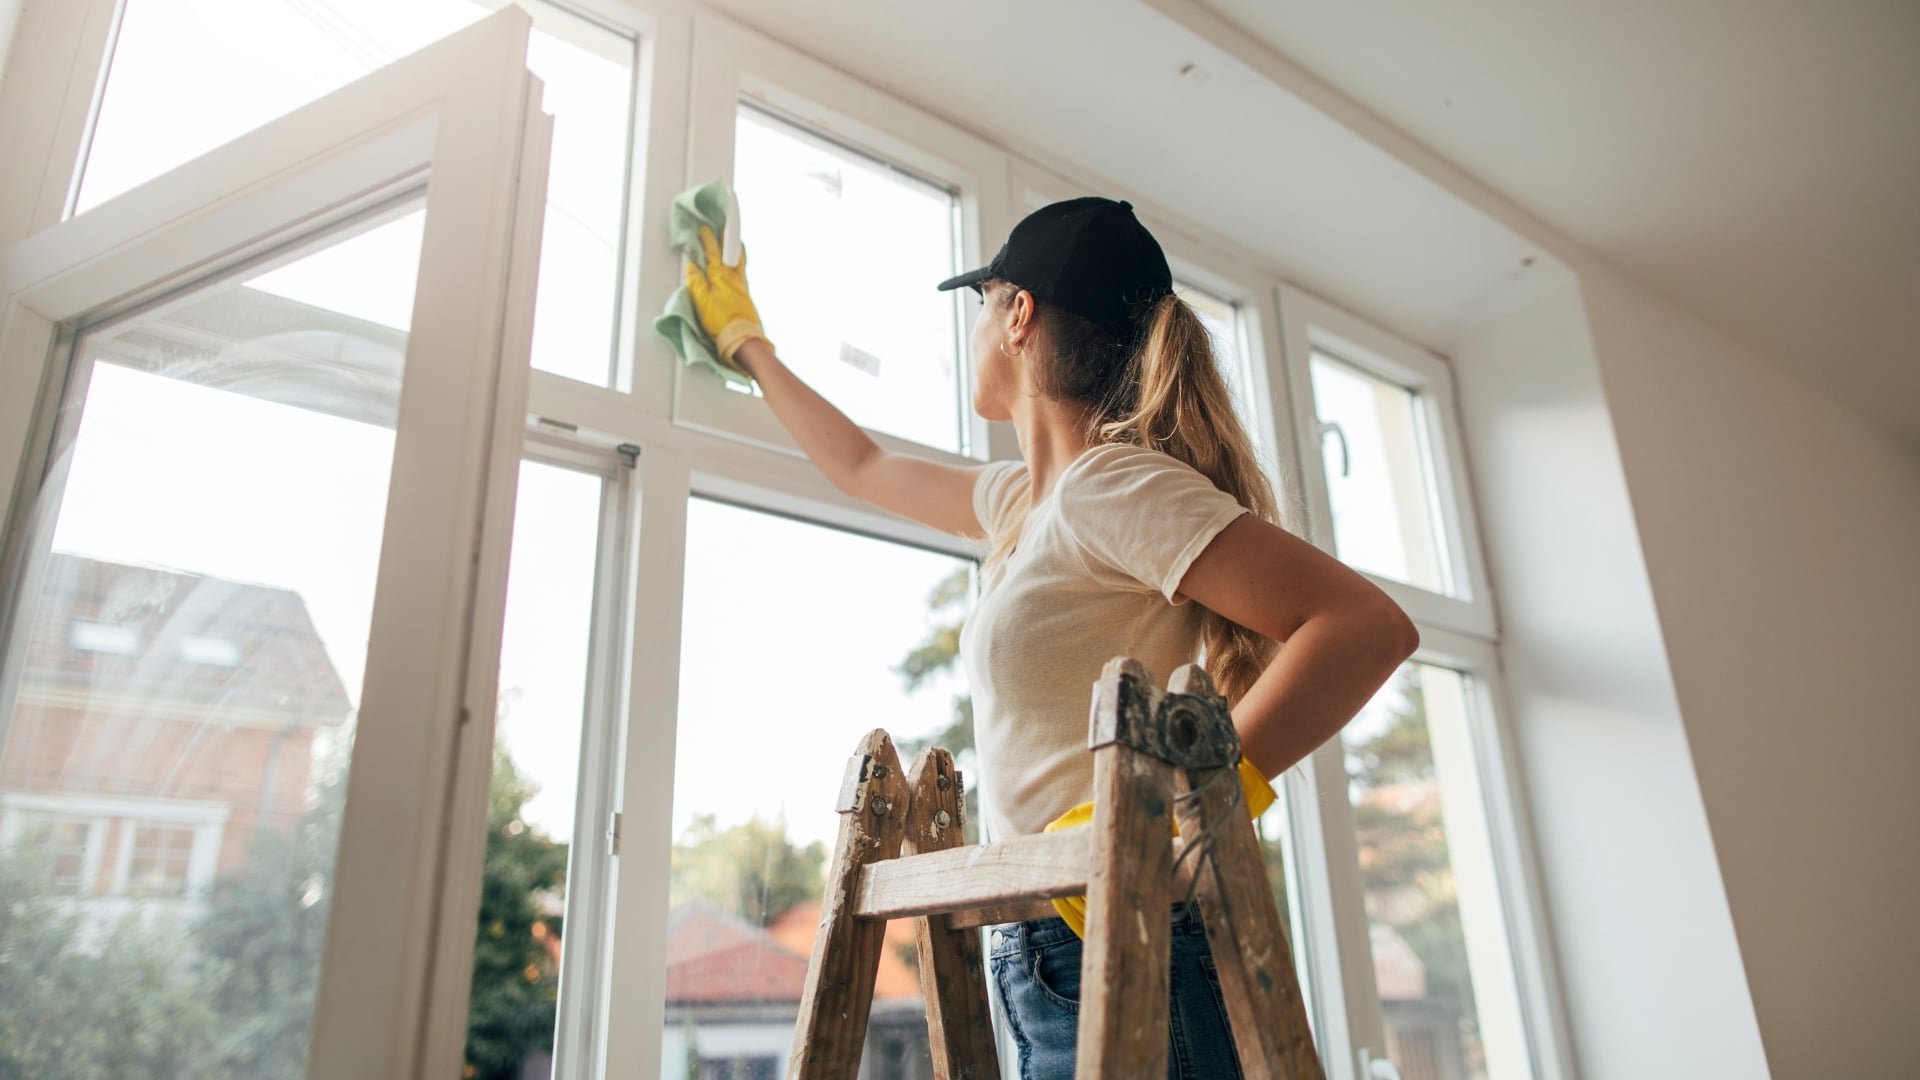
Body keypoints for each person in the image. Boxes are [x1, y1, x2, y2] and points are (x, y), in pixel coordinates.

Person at [683, 195, 1418, 1079]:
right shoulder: (1021, 506)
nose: (976, 331)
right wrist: (745, 343)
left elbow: (1365, 627)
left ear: (1017, 311)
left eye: (981, 304)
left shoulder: (1111, 486)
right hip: (1047, 942)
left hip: (1131, 929)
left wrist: (1182, 813)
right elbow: (861, 466)